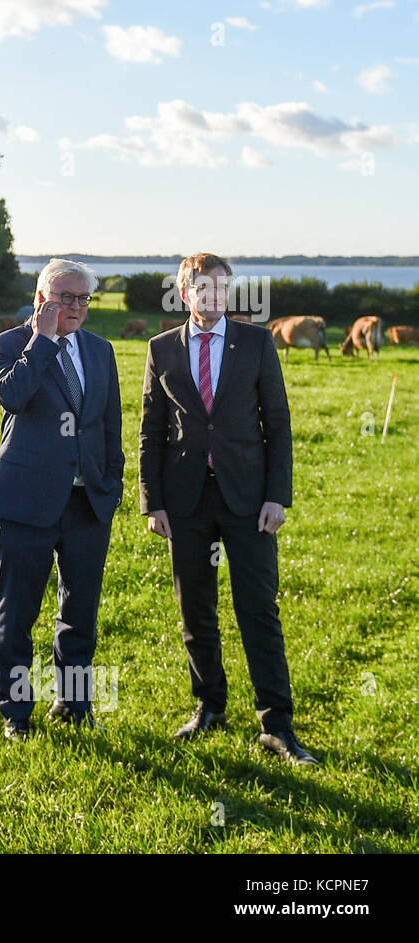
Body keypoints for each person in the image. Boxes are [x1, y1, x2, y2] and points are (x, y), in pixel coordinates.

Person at [140, 252, 317, 765]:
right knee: (196, 609)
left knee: (258, 610)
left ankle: (276, 724)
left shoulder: (257, 343)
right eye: (204, 287)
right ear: (184, 292)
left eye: (223, 288)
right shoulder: (161, 349)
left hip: (248, 498)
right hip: (186, 500)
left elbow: (278, 425)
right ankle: (209, 705)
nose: (214, 297)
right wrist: (153, 502)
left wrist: (276, 496)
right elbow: (151, 432)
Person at [0, 258, 124, 740]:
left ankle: (74, 703)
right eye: (66, 297)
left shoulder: (101, 350)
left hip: (88, 505)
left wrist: (113, 482)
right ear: (42, 299)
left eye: (84, 298)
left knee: (80, 613)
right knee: (17, 613)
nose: (77, 307)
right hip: (26, 503)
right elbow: (13, 396)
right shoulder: (8, 344)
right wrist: (42, 340)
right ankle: (16, 714)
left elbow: (109, 424)